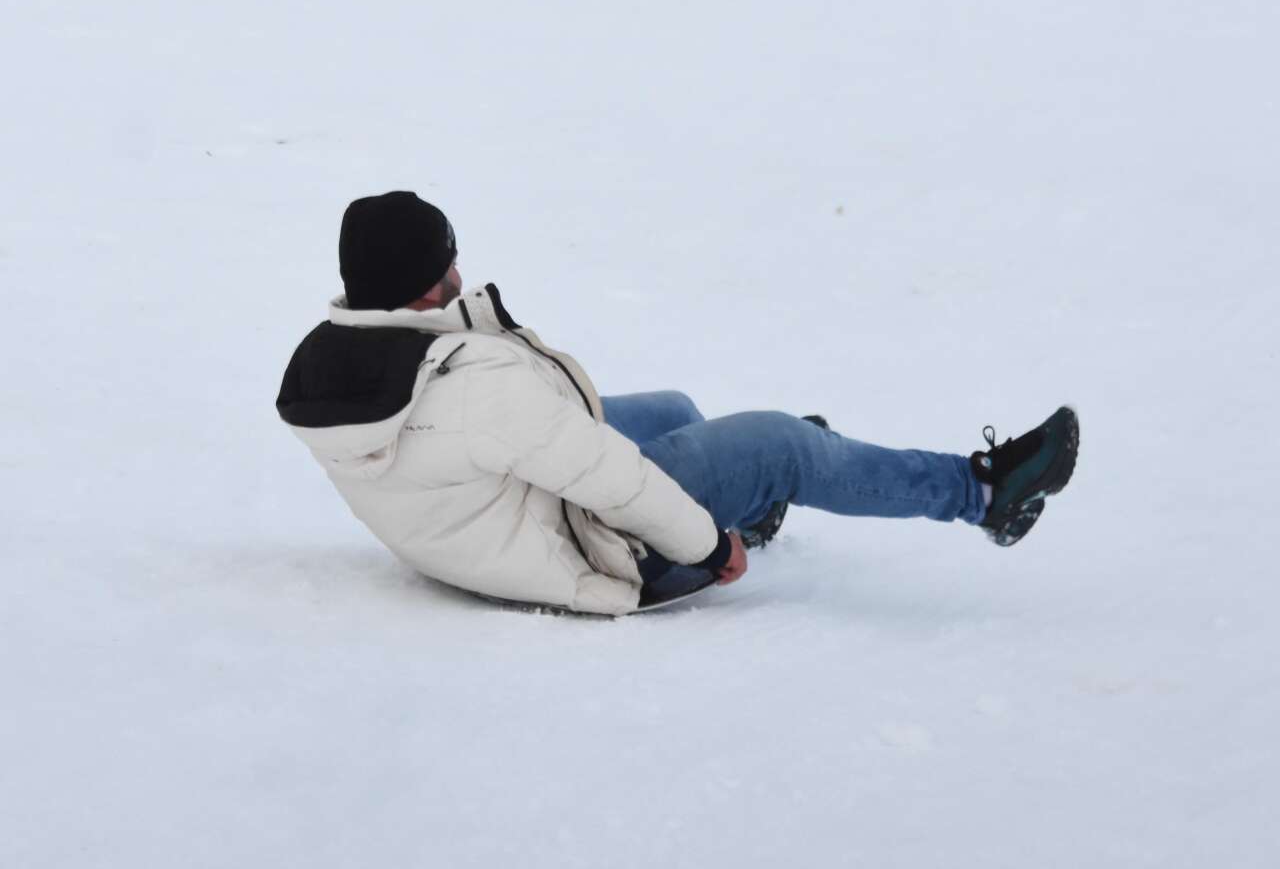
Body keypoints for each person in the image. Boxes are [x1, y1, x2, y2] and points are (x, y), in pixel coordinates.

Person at [276, 191, 1079, 616]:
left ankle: (755, 496)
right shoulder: (474, 388)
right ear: (425, 283)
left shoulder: (338, 361)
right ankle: (982, 493)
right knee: (782, 443)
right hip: (581, 543)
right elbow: (606, 478)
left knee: (672, 409)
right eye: (447, 263)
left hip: (480, 518)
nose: (460, 273)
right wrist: (703, 544)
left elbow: (504, 430)